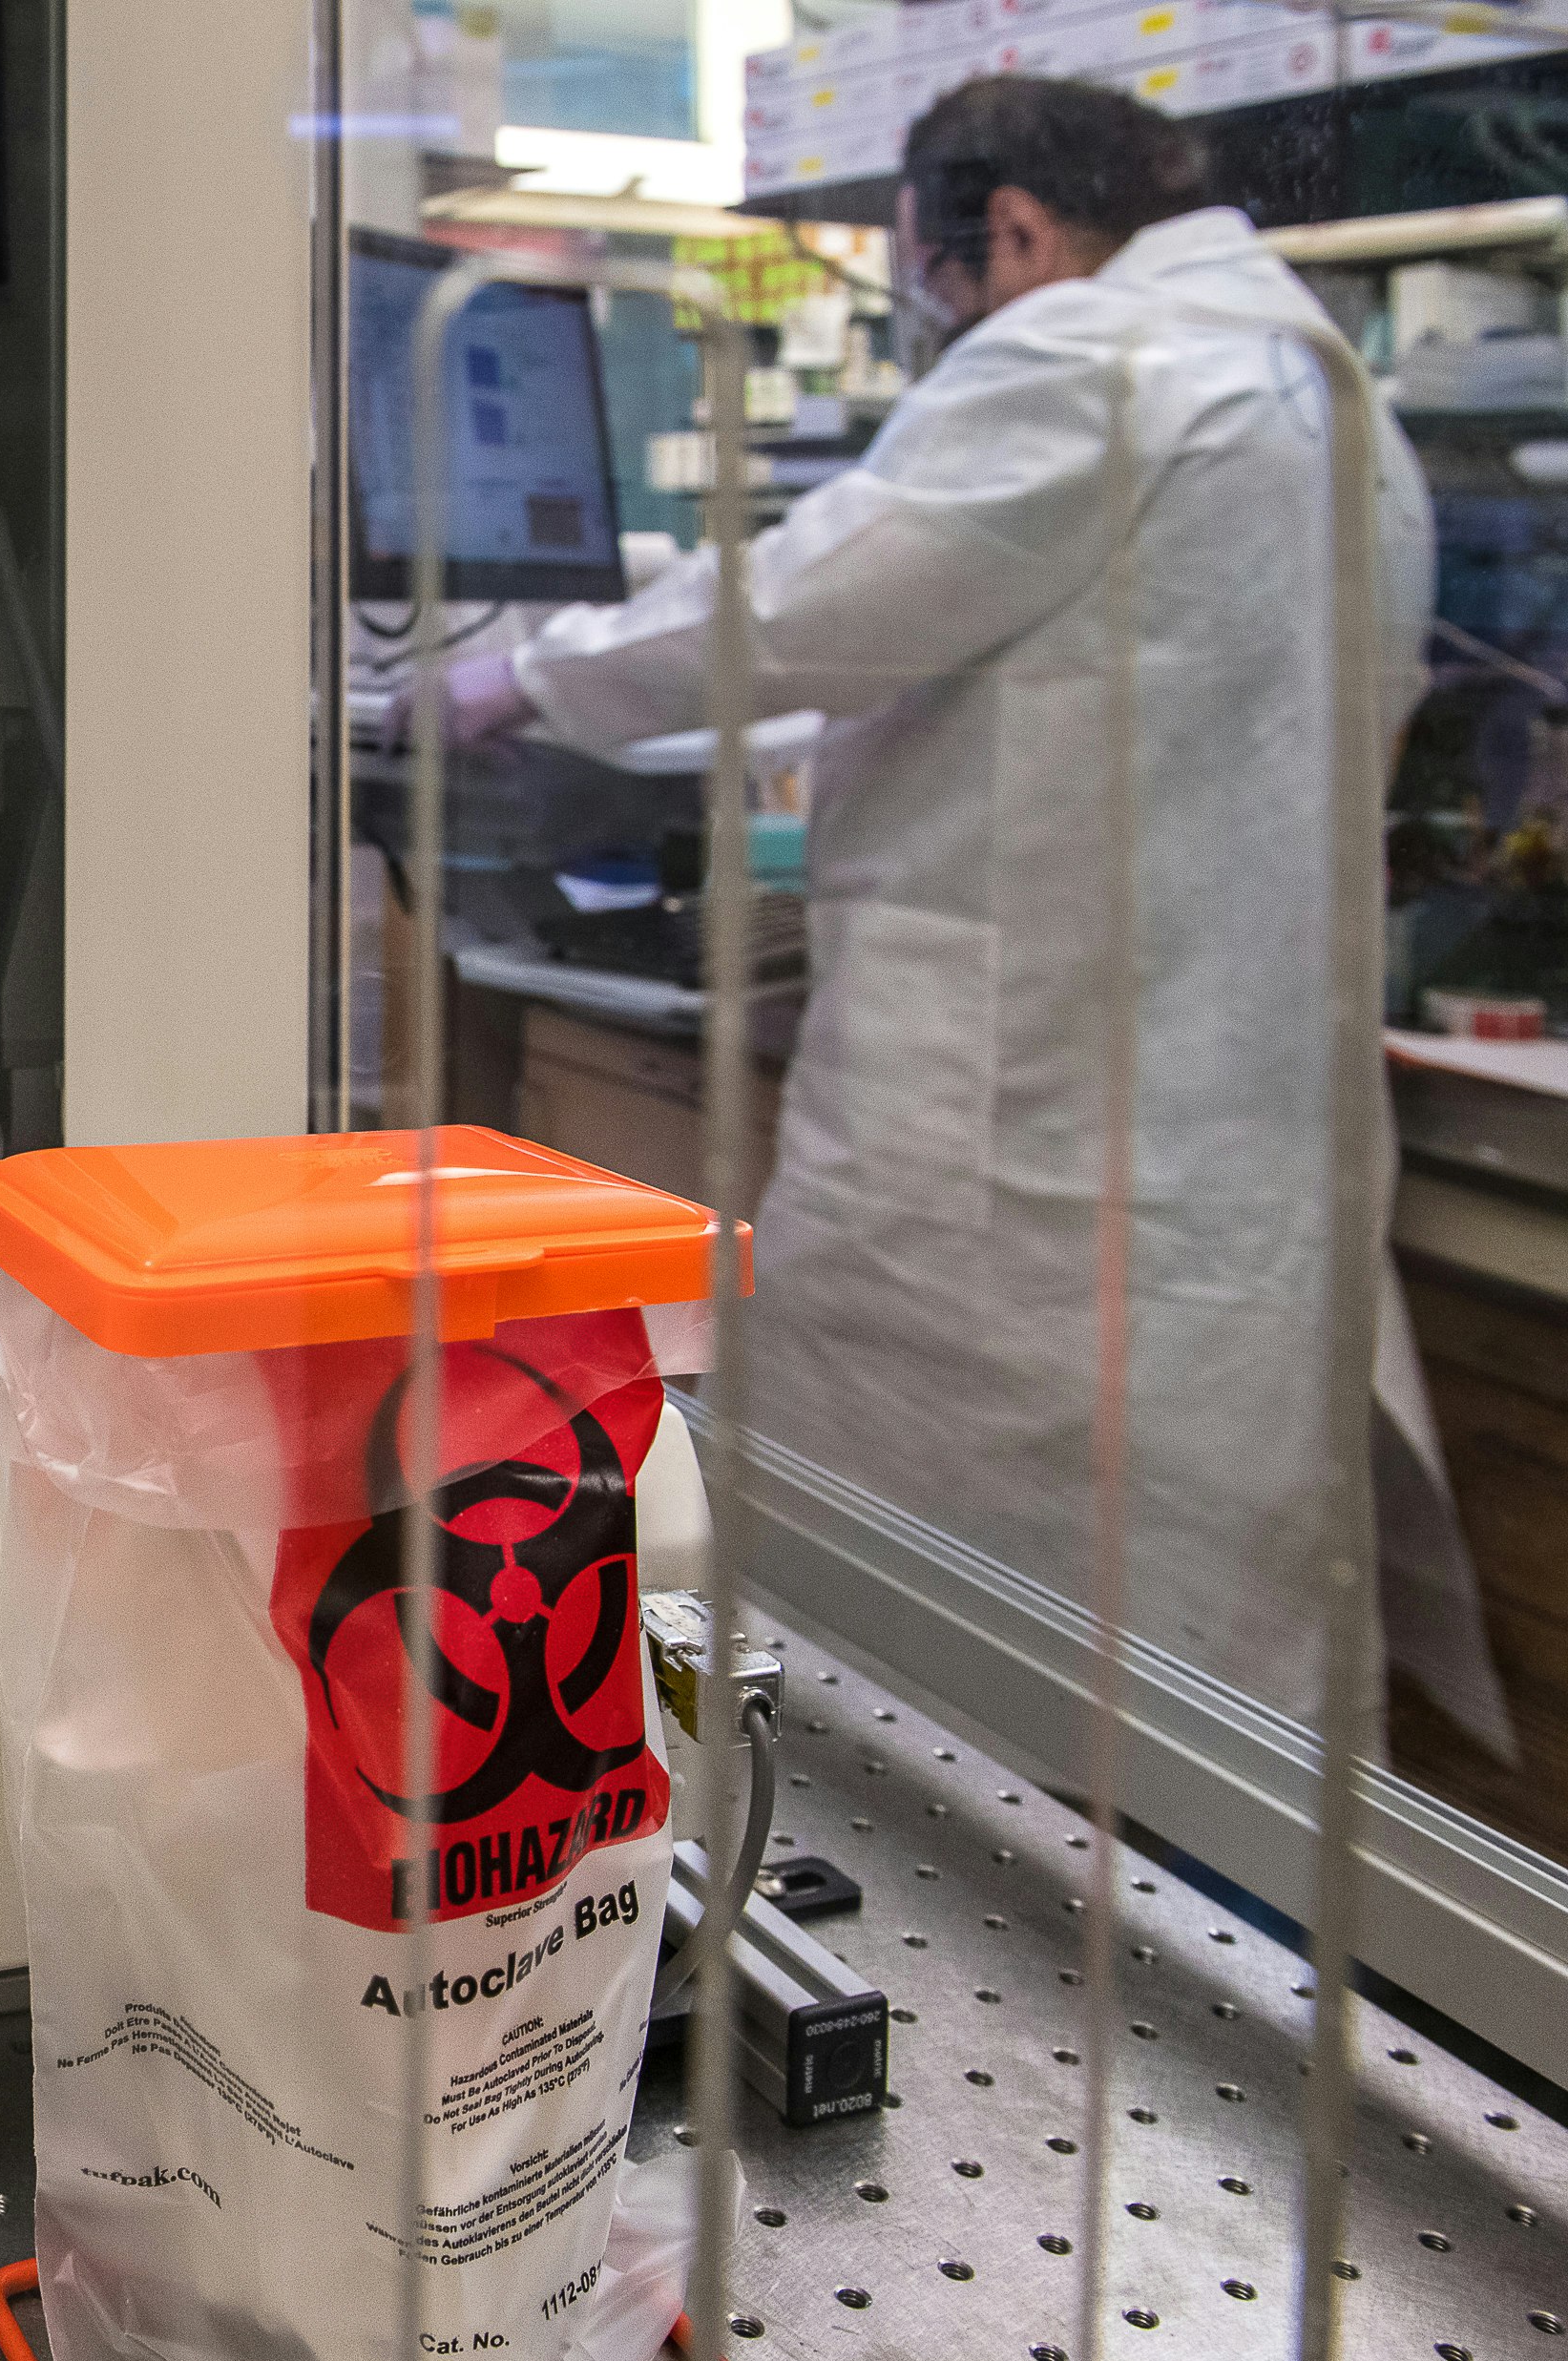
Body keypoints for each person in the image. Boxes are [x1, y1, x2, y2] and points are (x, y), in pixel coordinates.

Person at [447, 75, 1507, 1748]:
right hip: (1226, 1146)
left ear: (1012, 229)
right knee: (1213, 1723)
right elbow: (1056, 676)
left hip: (1039, 1164)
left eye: (941, 295)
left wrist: (518, 678)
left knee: (961, 1701)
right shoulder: (1322, 378)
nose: (951, 335)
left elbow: (815, 607)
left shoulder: (1092, 357)